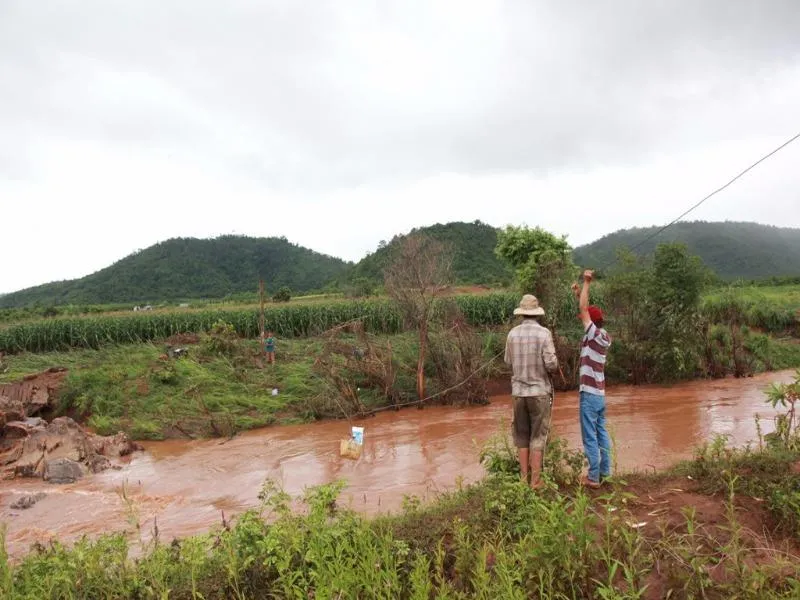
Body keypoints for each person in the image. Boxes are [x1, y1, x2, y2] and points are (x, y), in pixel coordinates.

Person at [504, 294, 559, 489]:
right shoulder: (544, 333)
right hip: (539, 392)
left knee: (522, 435)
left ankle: (522, 479)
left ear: (521, 314)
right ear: (536, 314)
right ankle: (536, 481)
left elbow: (508, 362)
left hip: (518, 393)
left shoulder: (512, 334)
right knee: (538, 435)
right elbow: (552, 364)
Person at [572, 270, 612, 489]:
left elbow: (583, 310)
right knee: (601, 433)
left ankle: (593, 477)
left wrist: (586, 282)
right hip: (600, 395)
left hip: (589, 395)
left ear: (592, 322)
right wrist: (579, 292)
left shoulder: (593, 334)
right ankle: (606, 472)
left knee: (590, 436)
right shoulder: (602, 336)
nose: (582, 321)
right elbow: (584, 309)